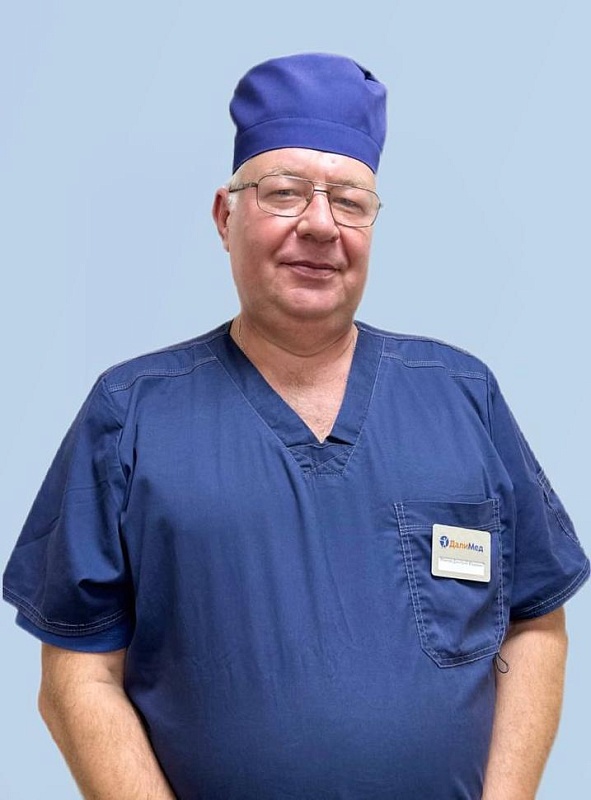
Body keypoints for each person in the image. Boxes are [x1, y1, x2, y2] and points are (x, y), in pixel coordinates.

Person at [3, 52, 589, 800]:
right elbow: (77, 675)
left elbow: (535, 623)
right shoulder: (132, 413)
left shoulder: (460, 396)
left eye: (349, 200)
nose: (320, 225)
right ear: (226, 216)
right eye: (284, 192)